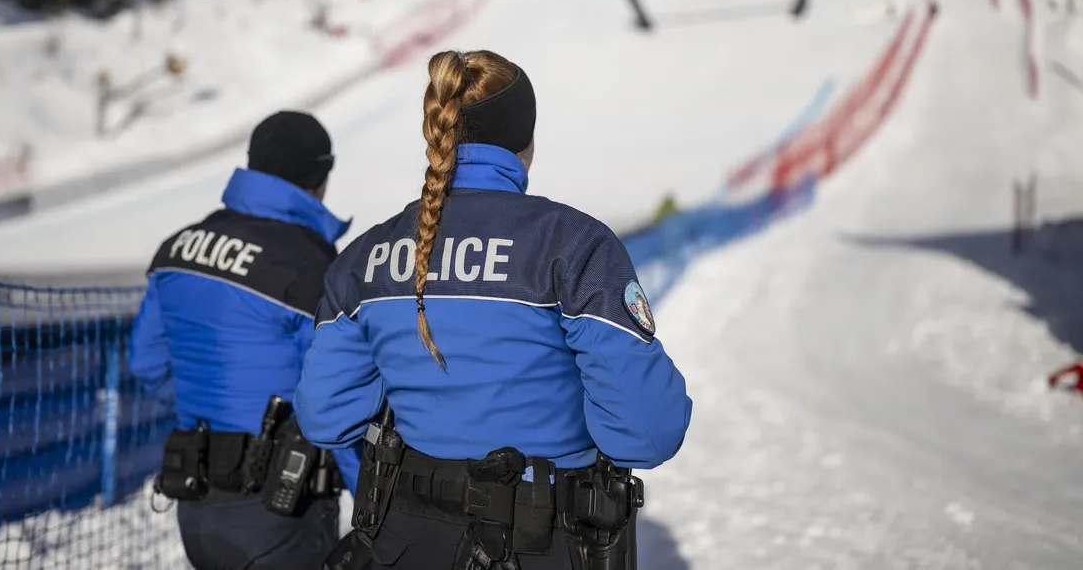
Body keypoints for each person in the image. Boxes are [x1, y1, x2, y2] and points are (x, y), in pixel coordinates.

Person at [293, 50, 692, 569]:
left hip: (405, 542)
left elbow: (325, 418)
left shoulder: (365, 257)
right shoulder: (573, 244)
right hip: (540, 543)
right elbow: (648, 433)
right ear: (524, 140)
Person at [129, 110, 361, 570]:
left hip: (195, 506)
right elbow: (332, 401)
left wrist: (215, 415)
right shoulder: (309, 268)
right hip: (283, 510)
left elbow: (147, 363)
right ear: (321, 173)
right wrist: (374, 508)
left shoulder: (178, 249)